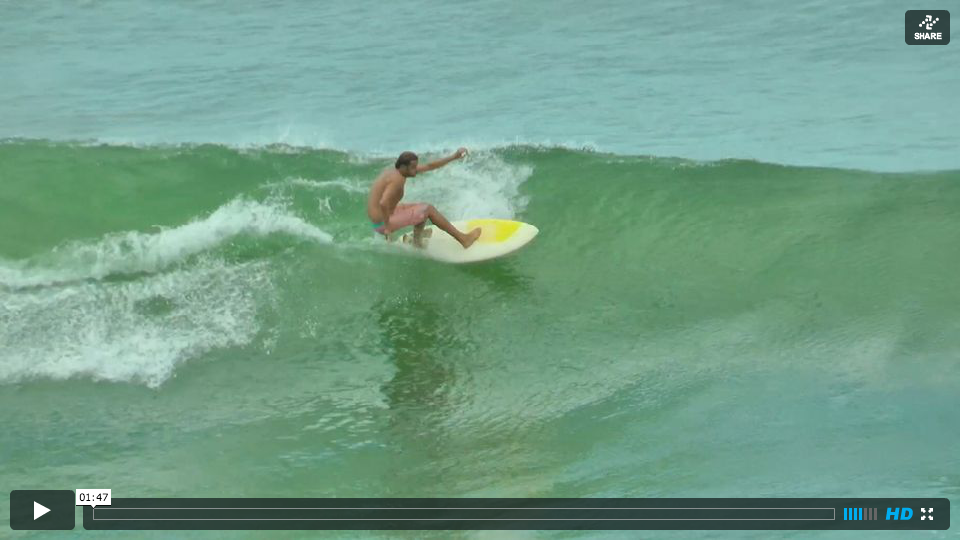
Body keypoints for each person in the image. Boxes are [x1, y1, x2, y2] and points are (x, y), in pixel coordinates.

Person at [367, 149, 482, 248]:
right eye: (412, 167)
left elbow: (429, 166)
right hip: (382, 223)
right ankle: (464, 240)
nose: (415, 170)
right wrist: (387, 228)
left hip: (381, 218)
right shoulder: (397, 180)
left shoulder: (394, 172)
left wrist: (453, 156)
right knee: (428, 209)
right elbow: (383, 203)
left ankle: (417, 242)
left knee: (420, 207)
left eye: (416, 166)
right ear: (403, 166)